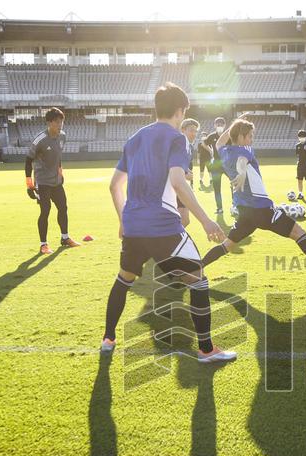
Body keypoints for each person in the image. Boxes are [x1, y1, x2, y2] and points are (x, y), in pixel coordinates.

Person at [101, 82, 236, 363]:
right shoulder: (177, 138)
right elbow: (176, 181)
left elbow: (115, 186)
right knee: (198, 280)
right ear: (180, 110)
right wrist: (207, 221)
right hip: (163, 226)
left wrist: (123, 221)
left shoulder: (134, 139)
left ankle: (108, 338)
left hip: (134, 227)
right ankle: (207, 350)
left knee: (124, 279)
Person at [200, 118, 306, 279]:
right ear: (241, 137)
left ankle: (198, 267)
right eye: (249, 135)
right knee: (298, 232)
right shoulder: (245, 149)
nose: (252, 139)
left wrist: (235, 123)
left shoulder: (224, 151)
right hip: (261, 210)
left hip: (244, 211)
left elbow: (221, 141)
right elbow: (242, 162)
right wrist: (241, 173)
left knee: (227, 245)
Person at [25, 107, 80, 254]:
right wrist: (29, 185)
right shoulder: (40, 140)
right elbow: (28, 160)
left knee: (63, 207)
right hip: (42, 182)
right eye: (56, 122)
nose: (60, 124)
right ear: (49, 122)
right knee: (45, 211)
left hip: (56, 181)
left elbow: (58, 157)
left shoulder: (62, 136)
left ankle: (65, 238)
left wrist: (60, 173)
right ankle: (43, 244)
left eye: (61, 121)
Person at [177, 118, 201, 226]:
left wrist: (186, 171)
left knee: (184, 220)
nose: (194, 134)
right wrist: (185, 175)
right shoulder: (179, 143)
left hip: (178, 185)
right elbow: (167, 165)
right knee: (183, 220)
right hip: (170, 186)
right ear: (183, 130)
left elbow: (181, 165)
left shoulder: (189, 146)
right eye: (191, 130)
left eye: (196, 131)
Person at [202, 117, 227, 216]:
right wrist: (210, 151)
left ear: (225, 125)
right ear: (214, 125)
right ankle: (219, 208)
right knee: (217, 188)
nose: (219, 126)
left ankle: (235, 206)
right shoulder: (212, 136)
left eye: (221, 124)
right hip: (216, 164)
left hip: (226, 164)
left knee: (234, 184)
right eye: (218, 124)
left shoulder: (228, 135)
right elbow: (204, 143)